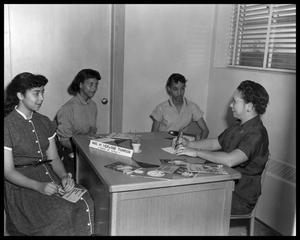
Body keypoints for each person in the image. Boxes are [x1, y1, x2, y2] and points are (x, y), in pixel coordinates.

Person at [4, 72, 94, 236]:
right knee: (62, 212)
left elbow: (54, 159)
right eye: (36, 93)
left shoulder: (44, 122)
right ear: (20, 95)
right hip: (22, 186)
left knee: (85, 200)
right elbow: (8, 172)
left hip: (50, 177)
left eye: (43, 92)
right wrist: (39, 186)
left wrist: (64, 176)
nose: (41, 98)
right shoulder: (7, 126)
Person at [176, 80, 269, 215]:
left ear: (249, 106)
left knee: (189, 199)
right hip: (222, 182)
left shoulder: (257, 133)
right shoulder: (239, 125)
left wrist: (196, 152)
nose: (231, 105)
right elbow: (215, 143)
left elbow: (230, 160)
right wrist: (189, 144)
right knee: (185, 187)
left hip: (239, 196)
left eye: (235, 101)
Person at [55, 69, 101, 175]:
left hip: (87, 152)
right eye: (90, 84)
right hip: (71, 154)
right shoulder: (67, 108)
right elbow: (64, 140)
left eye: (96, 85)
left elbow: (92, 133)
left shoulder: (93, 106)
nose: (94, 88)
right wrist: (84, 150)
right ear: (80, 85)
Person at [150, 73, 209, 140]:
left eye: (182, 88)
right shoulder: (161, 108)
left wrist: (199, 144)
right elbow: (153, 134)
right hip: (163, 143)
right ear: (169, 89)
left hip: (183, 144)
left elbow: (205, 130)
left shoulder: (192, 106)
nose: (179, 93)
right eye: (175, 89)